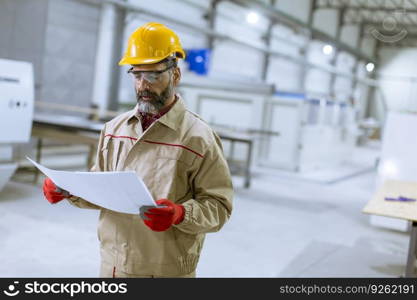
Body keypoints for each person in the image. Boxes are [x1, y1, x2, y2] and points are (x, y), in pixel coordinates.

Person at [42, 22, 233, 278]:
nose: (143, 85)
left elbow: (219, 207)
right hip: (112, 266)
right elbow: (101, 187)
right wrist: (68, 189)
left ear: (175, 75)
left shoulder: (198, 137)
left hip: (166, 270)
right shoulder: (113, 128)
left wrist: (180, 214)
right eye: (137, 74)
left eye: (153, 75)